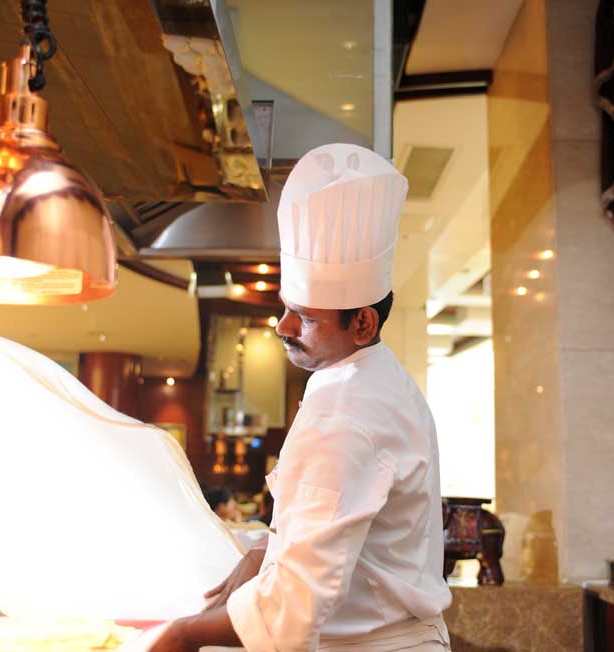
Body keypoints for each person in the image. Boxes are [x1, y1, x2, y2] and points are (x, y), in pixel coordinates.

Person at [152, 144, 452, 651]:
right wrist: (267, 550)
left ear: (362, 323)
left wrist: (181, 636)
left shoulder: (348, 410)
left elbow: (295, 605)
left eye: (306, 318)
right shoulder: (372, 377)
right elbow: (351, 528)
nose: (282, 327)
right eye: (286, 308)